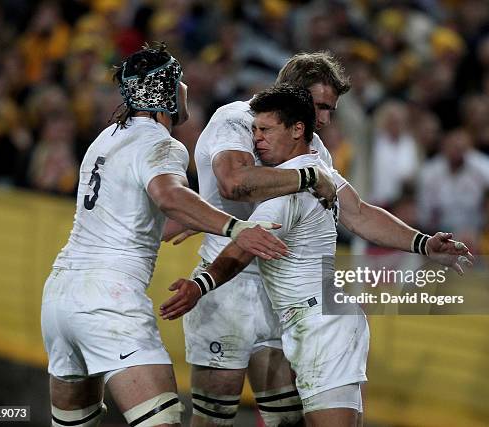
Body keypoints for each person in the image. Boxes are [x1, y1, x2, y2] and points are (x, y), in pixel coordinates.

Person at [164, 51, 473, 427]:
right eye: (320, 106)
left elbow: (356, 211)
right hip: (227, 283)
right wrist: (307, 179)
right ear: (292, 95)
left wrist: (422, 242)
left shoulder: (314, 149)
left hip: (281, 293)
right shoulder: (237, 120)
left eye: (331, 110)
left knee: (287, 418)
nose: (325, 119)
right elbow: (233, 183)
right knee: (214, 417)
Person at [40, 43, 287, 427]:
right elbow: (169, 196)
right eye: (180, 80)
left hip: (59, 298)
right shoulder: (162, 144)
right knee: (164, 419)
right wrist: (238, 228)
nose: (186, 87)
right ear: (167, 92)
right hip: (109, 301)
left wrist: (199, 216)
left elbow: (133, 218)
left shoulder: (103, 140)